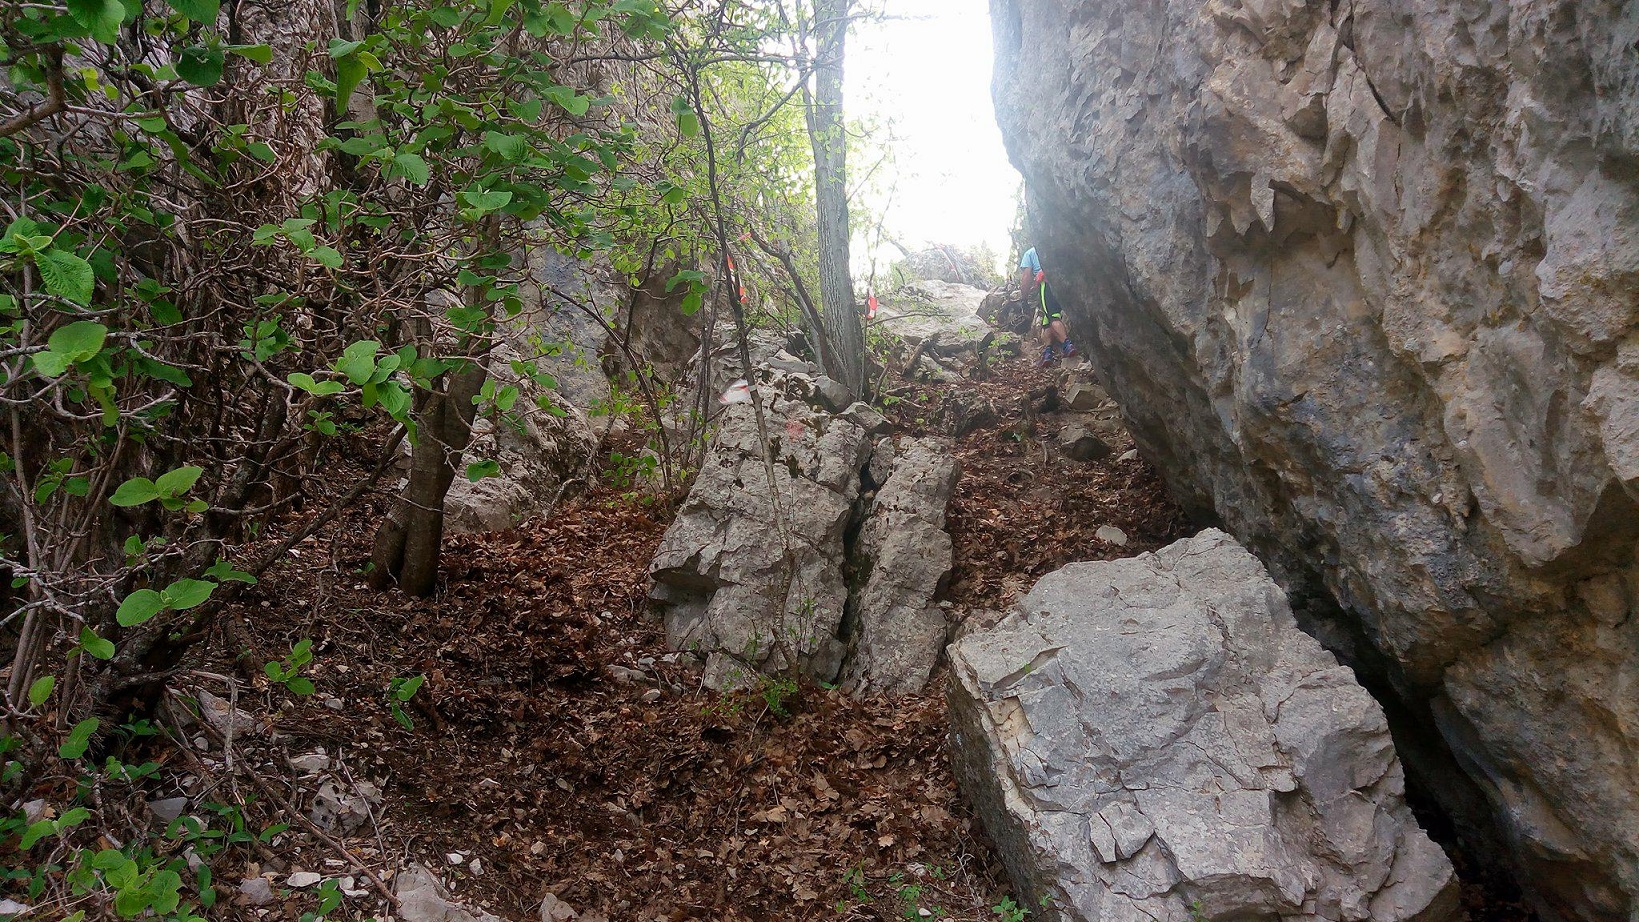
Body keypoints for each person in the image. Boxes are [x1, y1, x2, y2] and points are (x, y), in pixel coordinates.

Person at [1018, 246, 1076, 365]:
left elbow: (1026, 276)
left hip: (1046, 283)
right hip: (1064, 281)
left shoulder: (1030, 253)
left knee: (1052, 316)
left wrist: (1024, 298)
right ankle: (1048, 352)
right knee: (1046, 321)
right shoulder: (1056, 244)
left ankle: (1067, 344)